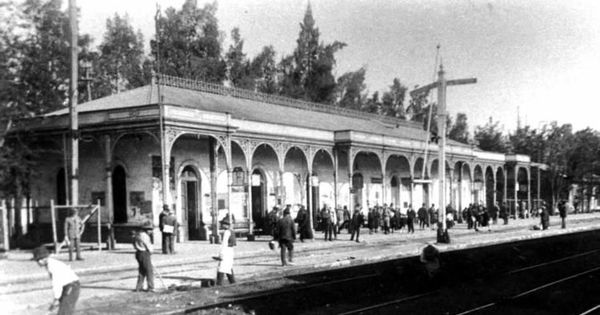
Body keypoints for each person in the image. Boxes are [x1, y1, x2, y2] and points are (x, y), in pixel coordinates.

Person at [32, 246, 80, 314]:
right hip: (66, 286)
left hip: (72, 287)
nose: (37, 263)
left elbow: (57, 284)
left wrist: (56, 299)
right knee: (64, 311)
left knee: (64, 312)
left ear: (43, 259)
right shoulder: (49, 264)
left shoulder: (52, 266)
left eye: (37, 260)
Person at [132, 227, 154, 292]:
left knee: (142, 271)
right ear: (146, 230)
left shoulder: (137, 235)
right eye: (150, 230)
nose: (151, 231)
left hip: (138, 253)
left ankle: (139, 287)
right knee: (149, 271)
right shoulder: (145, 236)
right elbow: (148, 245)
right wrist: (151, 251)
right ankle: (150, 287)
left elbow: (133, 244)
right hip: (144, 253)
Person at [215, 217, 236, 285]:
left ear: (225, 225)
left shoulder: (226, 232)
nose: (221, 225)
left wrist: (220, 254)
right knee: (228, 267)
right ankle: (233, 283)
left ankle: (219, 284)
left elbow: (224, 244)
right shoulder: (232, 231)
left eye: (222, 224)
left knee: (221, 267)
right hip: (231, 251)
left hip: (226, 251)